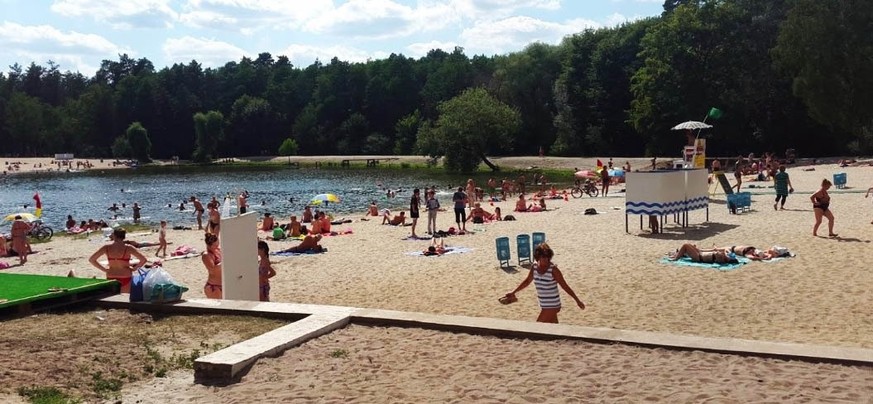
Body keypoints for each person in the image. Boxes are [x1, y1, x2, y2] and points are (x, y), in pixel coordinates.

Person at [503, 243, 585, 323]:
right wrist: (513, 292)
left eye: (548, 257)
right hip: (544, 305)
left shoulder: (553, 270)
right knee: (553, 330)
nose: (546, 259)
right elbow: (527, 281)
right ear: (538, 257)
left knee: (538, 328)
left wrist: (577, 300)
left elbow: (565, 286)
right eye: (543, 257)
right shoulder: (534, 267)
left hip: (552, 305)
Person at [88, 228, 148, 293]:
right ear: (124, 236)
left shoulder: (106, 247)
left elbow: (92, 259)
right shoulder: (128, 248)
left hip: (111, 275)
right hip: (125, 275)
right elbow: (143, 260)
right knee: (125, 299)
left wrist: (104, 270)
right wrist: (134, 269)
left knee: (113, 299)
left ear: (114, 236)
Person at [668, 243, 739, 264]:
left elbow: (719, 253)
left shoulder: (722, 259)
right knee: (690, 245)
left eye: (730, 257)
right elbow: (718, 251)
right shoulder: (723, 257)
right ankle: (677, 255)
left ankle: (676, 258)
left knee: (685, 245)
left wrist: (724, 253)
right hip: (700, 253)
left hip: (699, 257)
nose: (728, 256)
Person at [201, 233, 222, 299]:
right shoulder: (206, 255)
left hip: (223, 284)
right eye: (215, 245)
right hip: (214, 286)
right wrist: (225, 262)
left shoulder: (218, 251)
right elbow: (213, 270)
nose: (217, 246)